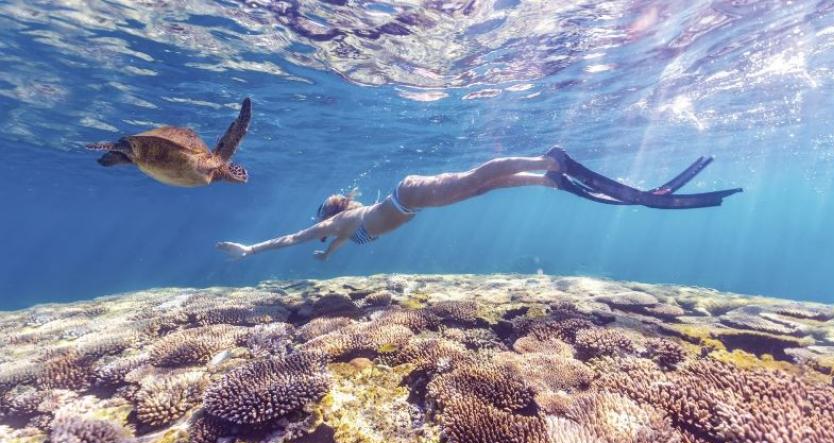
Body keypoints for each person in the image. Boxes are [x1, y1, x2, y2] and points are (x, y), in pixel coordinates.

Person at [216, 147, 742, 260]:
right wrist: (326, 257)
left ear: (328, 216)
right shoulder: (337, 234)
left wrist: (249, 249)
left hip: (409, 194)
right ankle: (549, 180)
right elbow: (328, 245)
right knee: (481, 188)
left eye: (320, 229)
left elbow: (288, 238)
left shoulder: (335, 224)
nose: (316, 234)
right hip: (414, 202)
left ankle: (545, 159)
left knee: (473, 179)